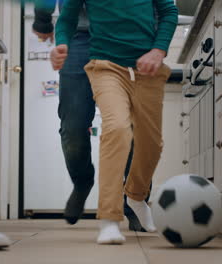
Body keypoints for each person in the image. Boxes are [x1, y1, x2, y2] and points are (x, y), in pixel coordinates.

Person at [53, 0, 178, 244]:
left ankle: (135, 197)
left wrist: (158, 48)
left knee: (149, 141)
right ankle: (93, 194)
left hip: (142, 50)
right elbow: (66, 17)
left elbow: (167, 11)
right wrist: (57, 37)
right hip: (92, 46)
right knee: (104, 127)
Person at [33, 0, 149, 231]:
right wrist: (43, 19)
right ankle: (82, 181)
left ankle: (134, 199)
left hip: (127, 36)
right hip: (78, 37)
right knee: (73, 126)